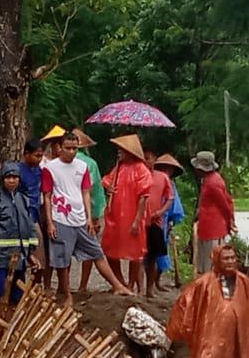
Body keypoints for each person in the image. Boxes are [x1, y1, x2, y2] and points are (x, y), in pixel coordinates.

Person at [41, 129, 131, 308]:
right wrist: (50, 222)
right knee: (62, 260)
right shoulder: (50, 168)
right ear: (60, 148)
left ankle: (118, 285)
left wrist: (90, 217)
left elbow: (86, 192)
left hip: (80, 218)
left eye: (75, 148)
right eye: (68, 148)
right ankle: (67, 294)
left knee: (96, 252)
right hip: (61, 218)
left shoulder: (83, 167)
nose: (72, 152)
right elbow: (47, 196)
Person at [0, 162, 39, 350]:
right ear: (2, 179)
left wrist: (30, 255)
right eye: (8, 177)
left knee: (16, 298)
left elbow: (29, 228)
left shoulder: (23, 200)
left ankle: (9, 334)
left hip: (18, 259)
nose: (12, 180)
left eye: (15, 177)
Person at [101, 134, 152, 292]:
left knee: (135, 253)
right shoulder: (119, 167)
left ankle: (130, 284)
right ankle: (120, 282)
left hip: (132, 217)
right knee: (109, 248)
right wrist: (108, 187)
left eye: (121, 149)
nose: (118, 152)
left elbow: (143, 198)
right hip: (115, 217)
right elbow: (107, 180)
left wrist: (137, 221)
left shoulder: (142, 170)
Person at [72, 127, 108, 293]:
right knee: (90, 247)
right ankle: (83, 285)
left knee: (64, 250)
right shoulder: (90, 164)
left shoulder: (59, 161)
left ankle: (62, 286)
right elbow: (95, 192)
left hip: (65, 212)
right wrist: (95, 216)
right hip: (85, 212)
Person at [190, 150, 236, 274]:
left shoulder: (213, 183)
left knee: (211, 261)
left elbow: (225, 204)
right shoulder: (209, 180)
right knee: (207, 260)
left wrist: (230, 222)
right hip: (208, 226)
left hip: (213, 229)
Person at [143, 150, 176, 297]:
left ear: (154, 159)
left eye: (148, 158)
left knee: (152, 257)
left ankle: (149, 289)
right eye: (143, 158)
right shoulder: (137, 175)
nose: (145, 162)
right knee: (138, 257)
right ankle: (138, 288)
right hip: (139, 221)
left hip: (155, 222)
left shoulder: (162, 177)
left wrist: (161, 212)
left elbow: (170, 198)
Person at [152, 154, 186, 292]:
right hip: (150, 220)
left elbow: (174, 206)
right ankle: (146, 286)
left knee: (161, 254)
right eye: (163, 168)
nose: (166, 171)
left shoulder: (171, 185)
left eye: (169, 169)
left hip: (164, 222)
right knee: (148, 255)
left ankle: (156, 282)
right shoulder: (150, 180)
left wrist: (171, 221)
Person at [18, 138, 48, 283]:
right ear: (26, 154)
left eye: (41, 156)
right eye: (36, 155)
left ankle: (35, 287)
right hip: (20, 218)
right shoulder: (17, 171)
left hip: (35, 217)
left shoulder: (39, 171)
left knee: (39, 257)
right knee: (19, 258)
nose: (39, 159)